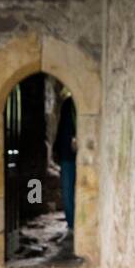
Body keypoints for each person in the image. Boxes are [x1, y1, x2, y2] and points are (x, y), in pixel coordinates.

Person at [52, 92, 77, 236]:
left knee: (68, 190)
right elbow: (62, 128)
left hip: (68, 154)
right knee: (68, 191)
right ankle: (72, 224)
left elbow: (61, 127)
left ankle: (73, 225)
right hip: (68, 154)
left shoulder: (68, 104)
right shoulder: (68, 104)